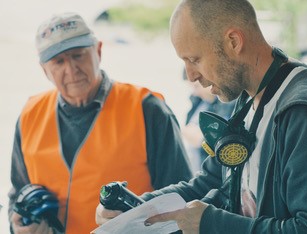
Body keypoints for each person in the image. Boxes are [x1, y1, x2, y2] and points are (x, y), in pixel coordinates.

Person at [95, 0, 307, 233]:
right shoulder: (246, 98)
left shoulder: (302, 112)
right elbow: (208, 183)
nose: (191, 76)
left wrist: (212, 223)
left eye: (195, 60)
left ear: (233, 42)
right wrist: (134, 208)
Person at [8, 12, 192, 234]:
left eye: (78, 55)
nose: (71, 69)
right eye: (58, 61)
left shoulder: (147, 109)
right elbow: (17, 193)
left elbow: (182, 201)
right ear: (44, 69)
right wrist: (16, 224)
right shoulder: (30, 114)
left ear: (98, 50)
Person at [181, 68, 235, 173]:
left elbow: (226, 143)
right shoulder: (198, 103)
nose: (195, 93)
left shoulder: (228, 105)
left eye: (196, 87)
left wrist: (202, 142)